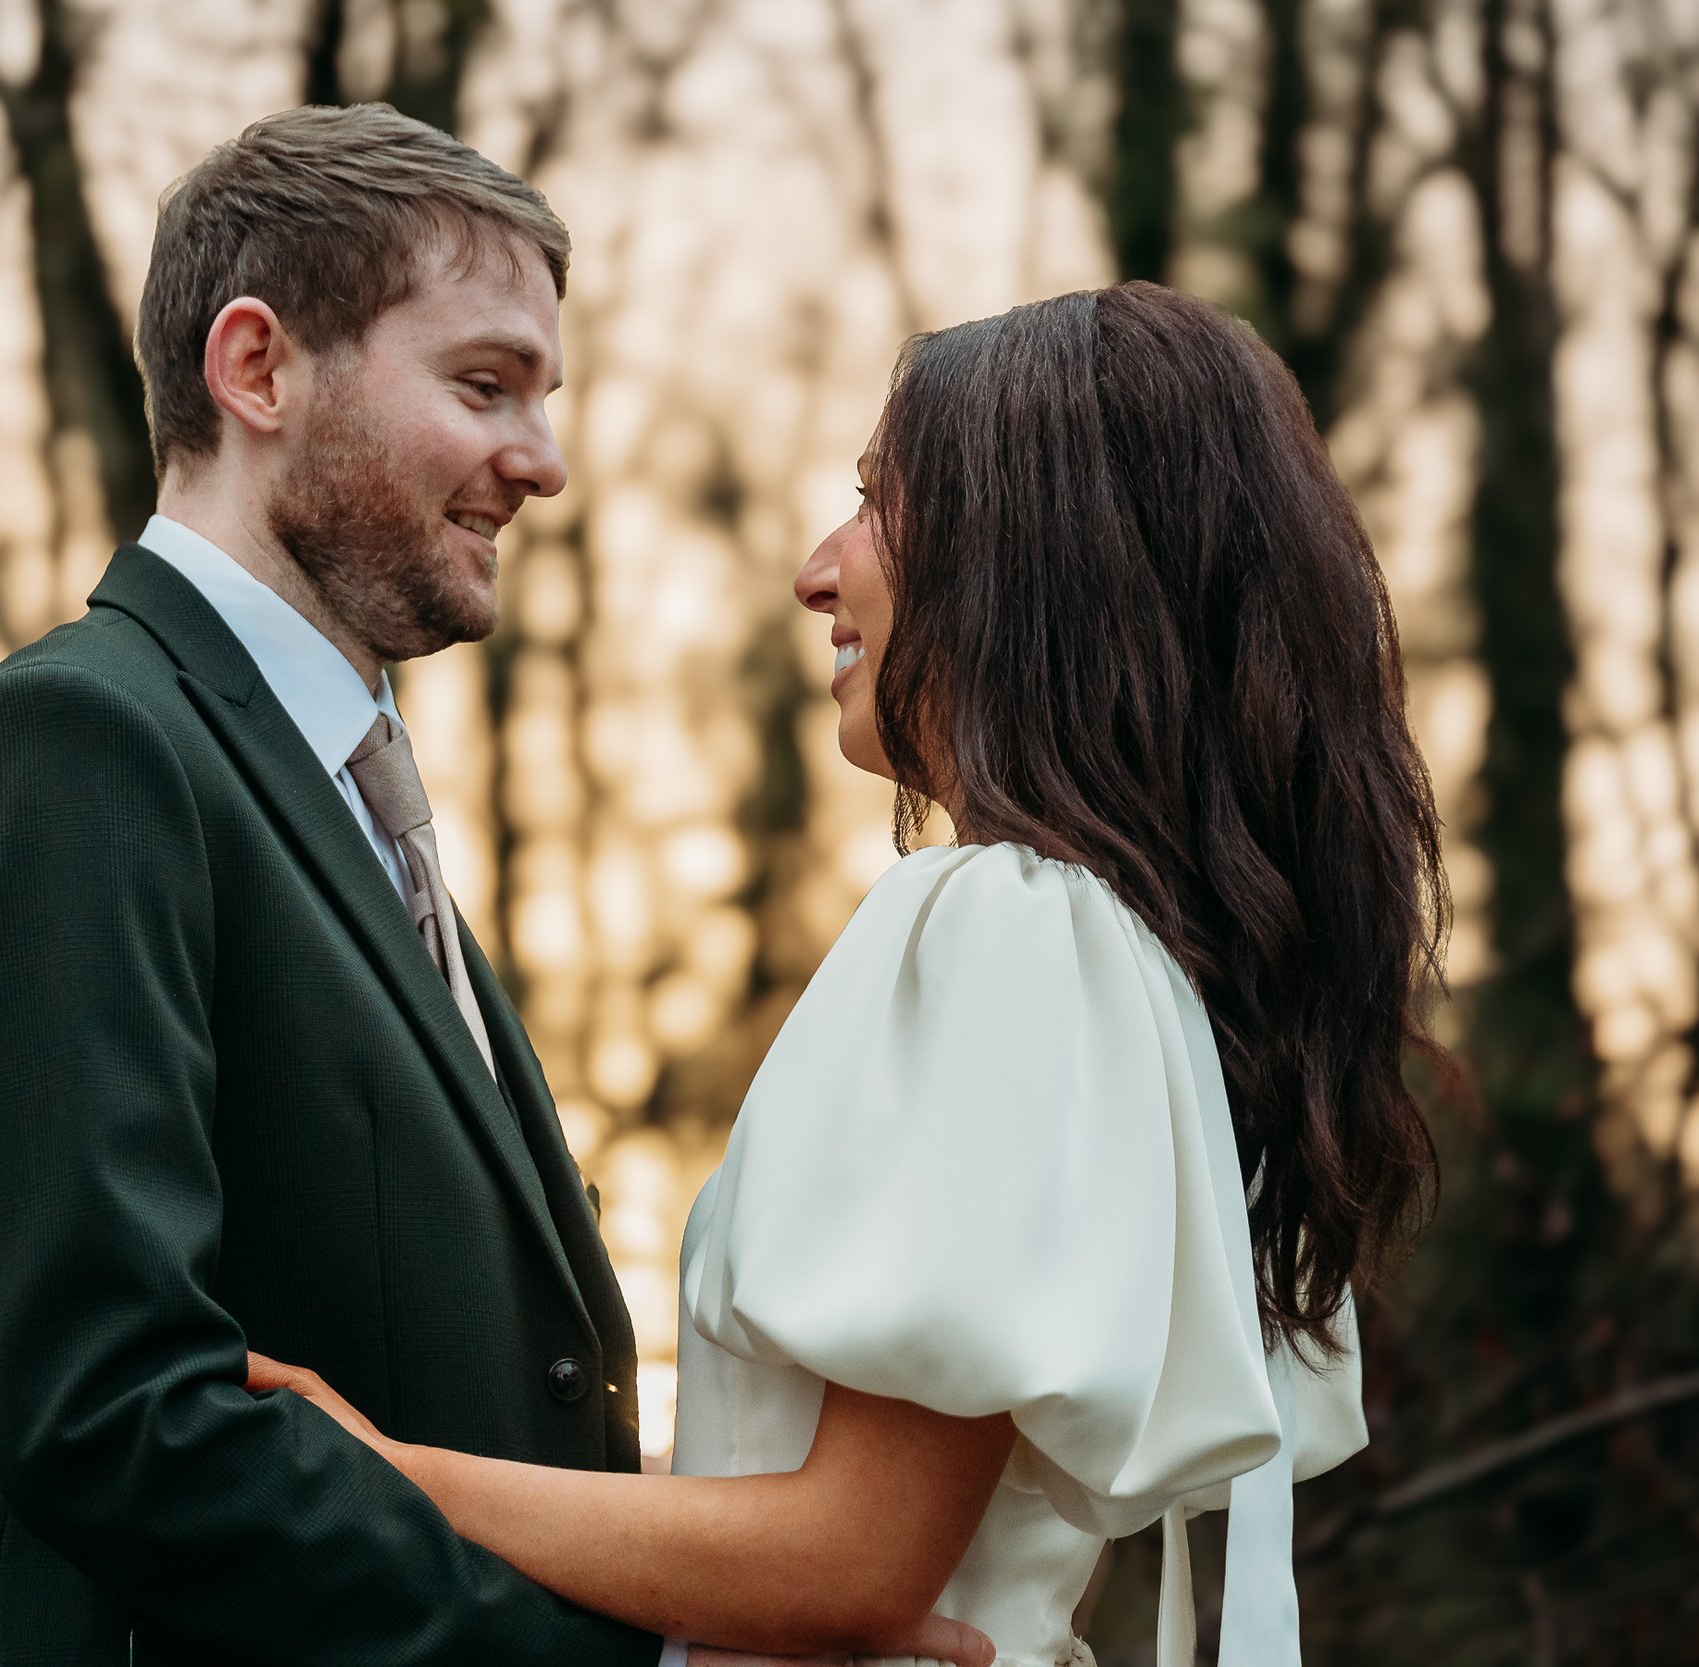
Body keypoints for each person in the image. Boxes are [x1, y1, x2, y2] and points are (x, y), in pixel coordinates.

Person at [0, 103, 987, 1667]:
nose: (538, 463)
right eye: (484, 387)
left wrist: (761, 1597)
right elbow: (117, 1424)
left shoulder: (347, 800)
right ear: (257, 369)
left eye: (542, 398)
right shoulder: (78, 746)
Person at [249, 281, 1453, 1667]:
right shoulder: (1119, 954)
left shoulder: (1006, 924)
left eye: (880, 503)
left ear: (1035, 554)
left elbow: (847, 1559)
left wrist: (383, 1475)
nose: (822, 567)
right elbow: (830, 1538)